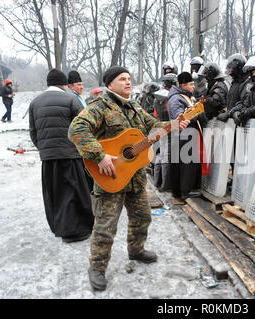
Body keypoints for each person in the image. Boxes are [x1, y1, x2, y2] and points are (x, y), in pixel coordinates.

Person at [68, 66, 190, 291]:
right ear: (110, 84)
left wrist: (174, 124)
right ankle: (97, 267)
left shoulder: (134, 106)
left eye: (129, 78)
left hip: (135, 176)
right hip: (111, 177)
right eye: (122, 79)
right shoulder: (99, 107)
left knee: (142, 217)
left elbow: (152, 126)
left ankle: (136, 250)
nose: (127, 82)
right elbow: (76, 130)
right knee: (105, 226)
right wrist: (100, 155)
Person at [28, 68, 94, 244]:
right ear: (65, 84)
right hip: (70, 155)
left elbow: (33, 132)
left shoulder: (35, 103)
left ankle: (61, 228)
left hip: (48, 159)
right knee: (75, 193)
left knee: (56, 194)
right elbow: (84, 127)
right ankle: (77, 231)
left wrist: (45, 149)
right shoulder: (71, 99)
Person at [167, 71, 204, 201]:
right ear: (183, 85)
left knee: (182, 164)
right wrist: (195, 113)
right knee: (187, 164)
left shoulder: (180, 96)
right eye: (191, 84)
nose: (193, 87)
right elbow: (180, 117)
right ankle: (185, 192)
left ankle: (180, 191)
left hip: (184, 134)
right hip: (184, 134)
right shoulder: (176, 98)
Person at [217, 53, 251, 122]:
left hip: (241, 122)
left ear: (238, 68)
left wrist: (230, 113)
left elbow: (245, 103)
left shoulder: (248, 83)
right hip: (232, 123)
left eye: (232, 69)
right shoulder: (235, 82)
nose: (230, 72)